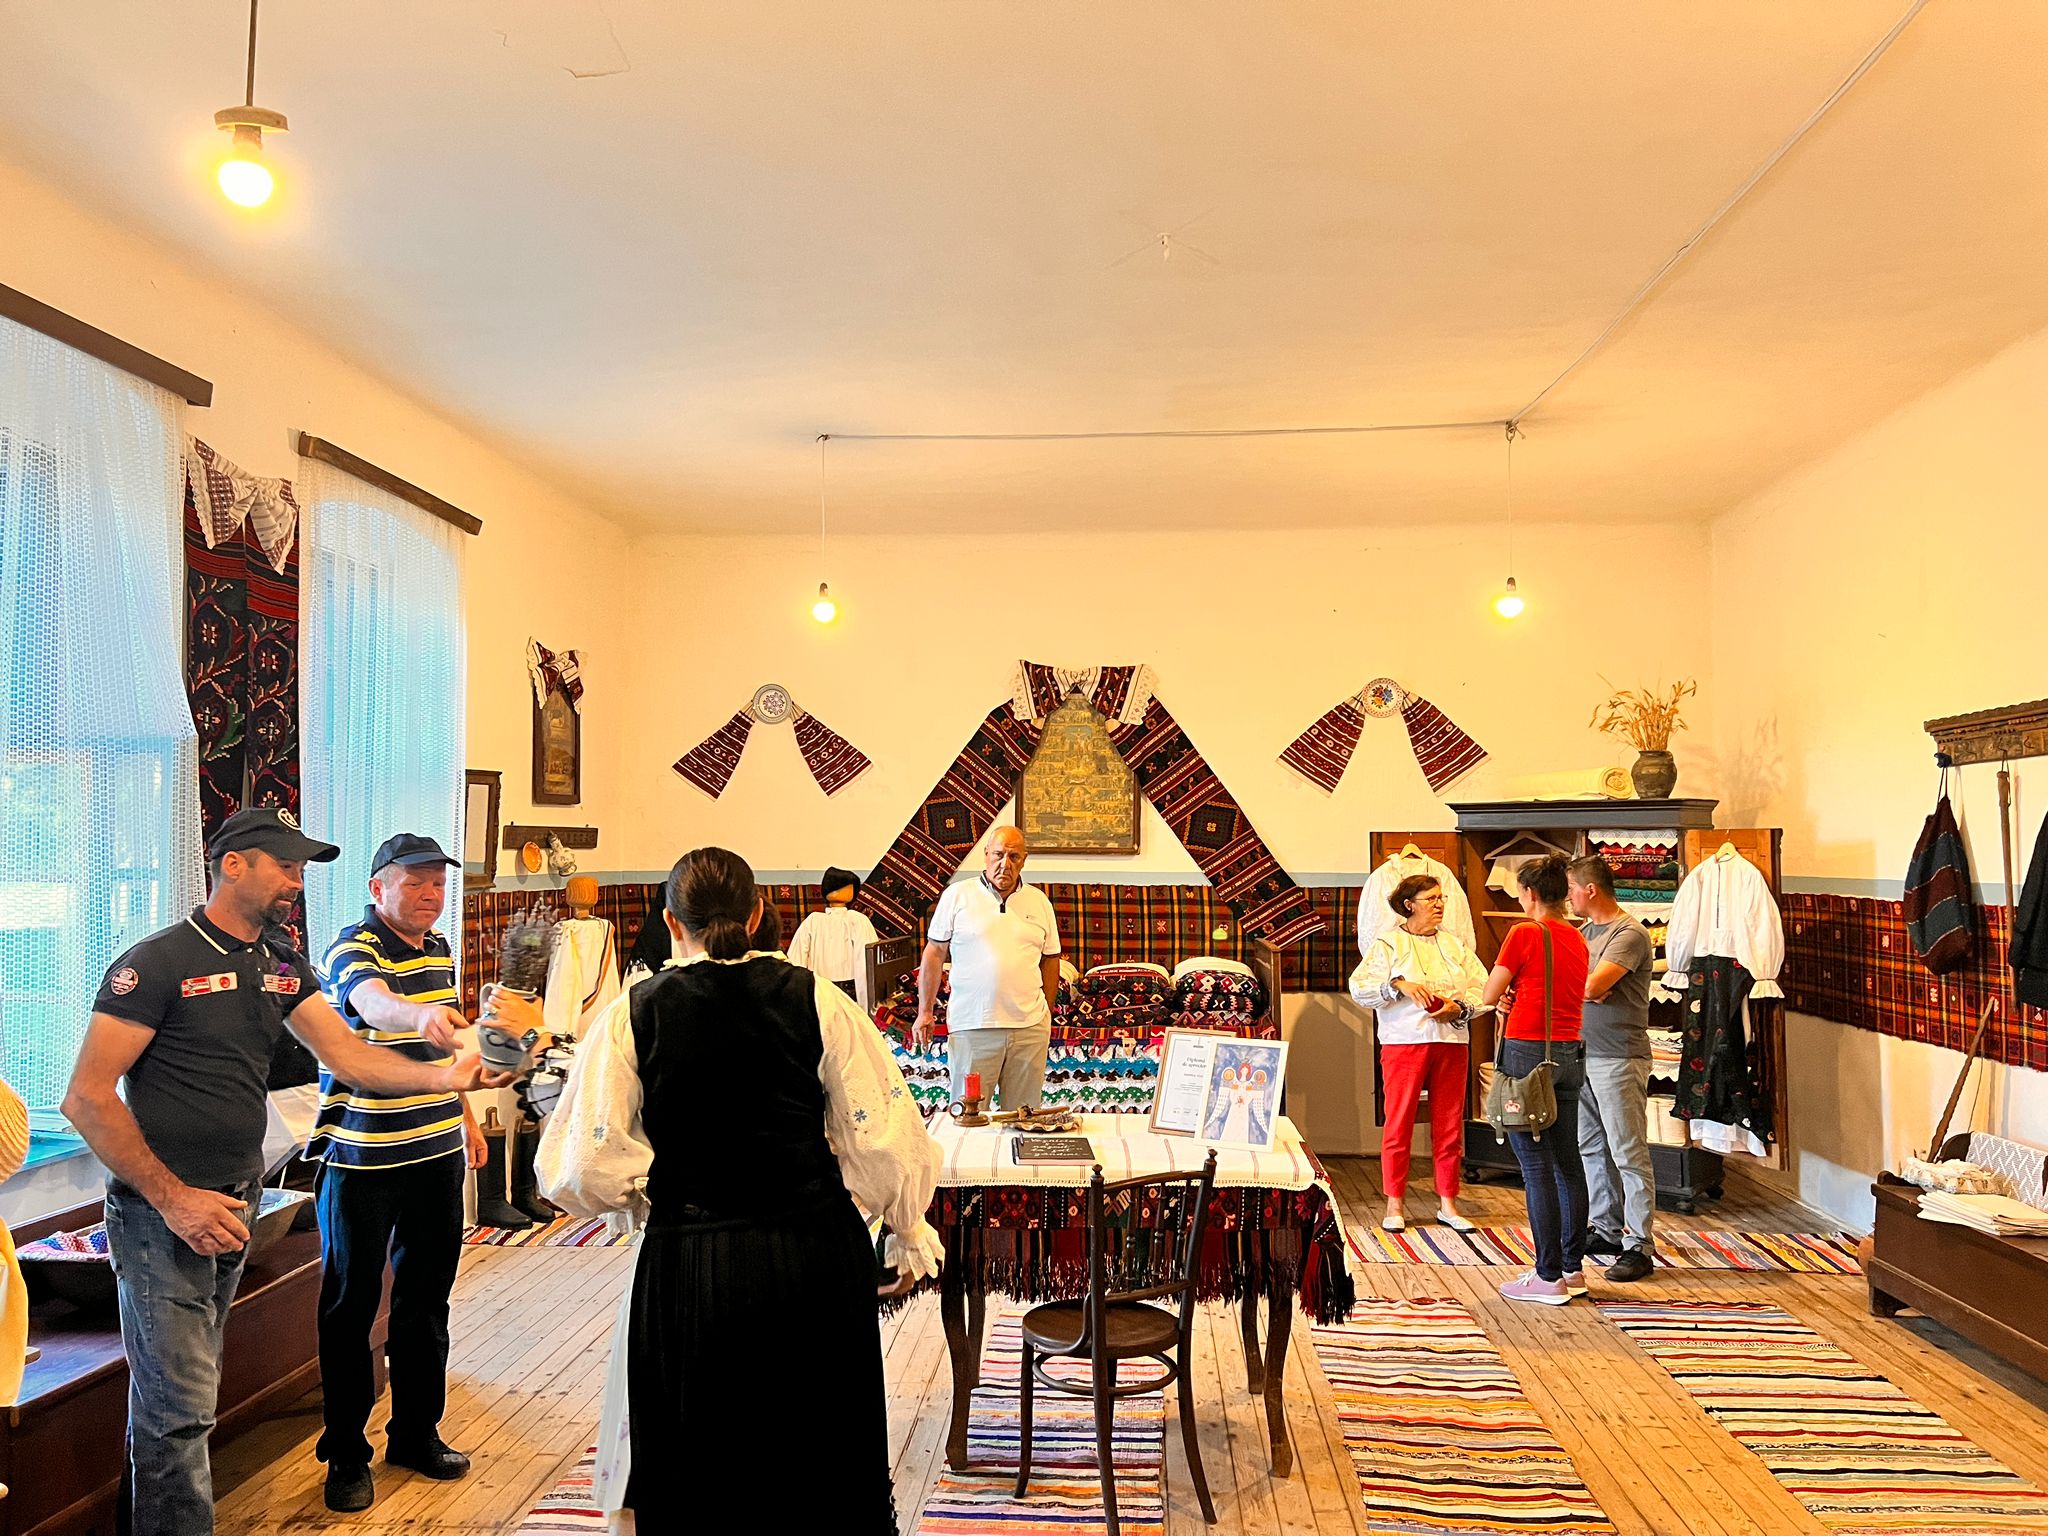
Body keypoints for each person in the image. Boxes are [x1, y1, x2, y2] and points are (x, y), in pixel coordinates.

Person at [60, 807, 527, 1536]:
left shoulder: (278, 964)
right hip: (163, 1215)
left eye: (302, 868)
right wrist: (176, 1200)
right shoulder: (156, 964)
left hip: (237, 1203)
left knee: (173, 1405)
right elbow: (86, 1098)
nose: (297, 881)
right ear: (233, 864)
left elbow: (351, 1057)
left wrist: (454, 1079)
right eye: (285, 865)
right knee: (182, 1411)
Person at [536, 847, 941, 1533]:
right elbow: (882, 1137)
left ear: (671, 922)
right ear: (757, 915)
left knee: (699, 1448)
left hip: (691, 1261)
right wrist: (905, 1225)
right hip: (813, 1252)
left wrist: (648, 1195)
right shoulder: (818, 1000)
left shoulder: (634, 1012)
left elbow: (583, 1165)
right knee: (821, 1447)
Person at [308, 832, 491, 1512]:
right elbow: (375, 1004)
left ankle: (415, 1433)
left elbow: (443, 1054)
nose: (430, 895)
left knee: (427, 1301)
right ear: (377, 887)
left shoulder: (439, 948)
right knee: (351, 1308)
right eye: (415, 882)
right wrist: (421, 1015)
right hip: (362, 1161)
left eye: (438, 883)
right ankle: (345, 1454)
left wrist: (467, 1118)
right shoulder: (351, 947)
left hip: (435, 1154)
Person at [1480, 854, 1591, 1306]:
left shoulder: (1524, 932)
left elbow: (1490, 992)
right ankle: (1572, 1268)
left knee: (1535, 1167)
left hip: (1528, 1052)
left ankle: (1547, 1277)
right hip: (1569, 1051)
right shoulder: (1577, 936)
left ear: (1529, 893)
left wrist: (1505, 997)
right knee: (1568, 1162)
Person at [1348, 875, 1487, 1234]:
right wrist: (1398, 985)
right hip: (1403, 1042)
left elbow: (1483, 988)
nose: (1439, 904)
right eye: (1431, 899)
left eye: (1441, 898)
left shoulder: (1455, 946)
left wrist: (1460, 1007)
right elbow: (1360, 987)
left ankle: (1448, 1203)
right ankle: (1394, 1203)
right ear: (1409, 904)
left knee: (1449, 1125)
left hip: (1451, 1042)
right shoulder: (1389, 944)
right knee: (1399, 1124)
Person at [914, 827, 1061, 1111]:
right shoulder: (957, 895)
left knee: (1024, 1120)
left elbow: (1051, 957)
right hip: (972, 1026)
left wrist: (1047, 1010)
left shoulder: (1039, 901)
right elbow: (934, 953)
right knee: (968, 1118)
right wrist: (925, 1011)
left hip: (1029, 1028)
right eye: (998, 854)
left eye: (1014, 857)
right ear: (986, 855)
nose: (1005, 864)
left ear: (1024, 860)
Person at [1567, 856, 1658, 1284]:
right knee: (1591, 1146)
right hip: (1581, 1054)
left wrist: (1589, 988)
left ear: (1590, 890)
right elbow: (1576, 986)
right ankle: (1605, 1228)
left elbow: (1592, 985)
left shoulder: (1630, 933)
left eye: (1571, 888)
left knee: (1627, 1152)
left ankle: (1639, 1245)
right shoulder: (1582, 934)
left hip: (1619, 1057)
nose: (1568, 896)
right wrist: (1587, 990)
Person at [786, 866, 880, 997]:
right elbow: (796, 960)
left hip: (847, 991)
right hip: (819, 989)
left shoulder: (856, 920)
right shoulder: (813, 920)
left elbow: (866, 962)